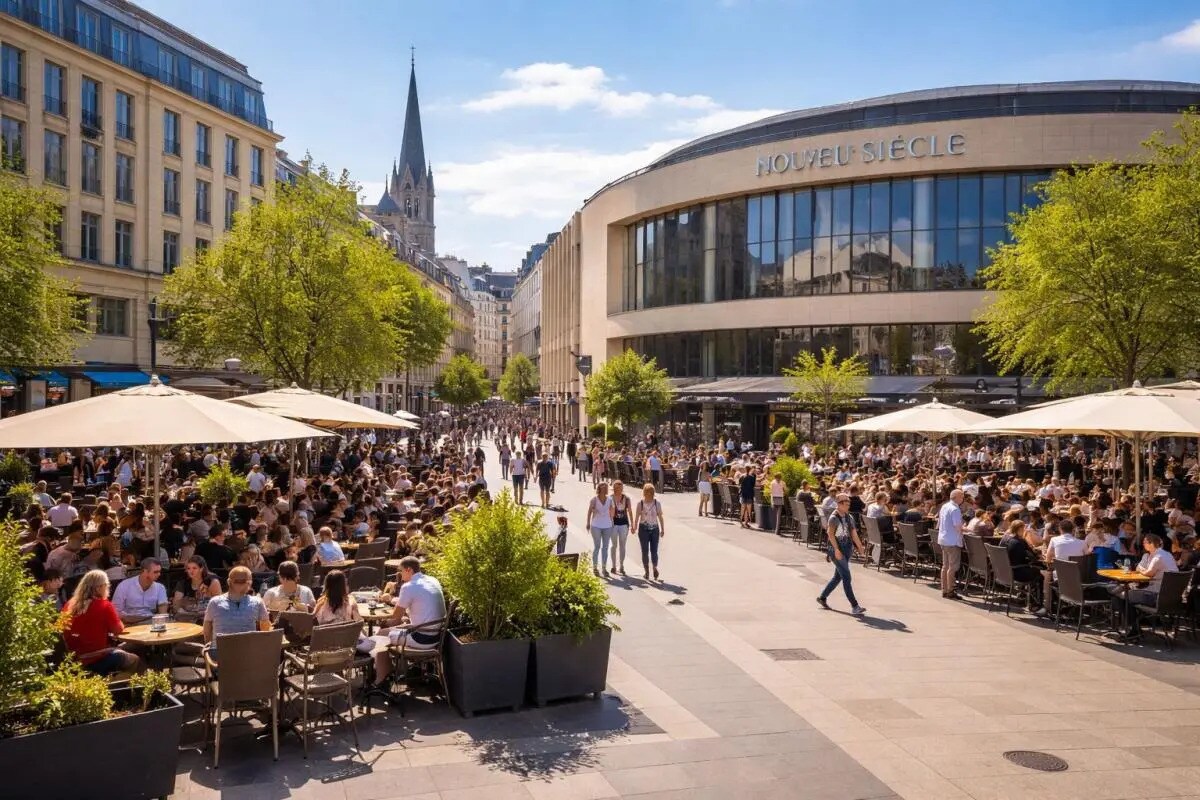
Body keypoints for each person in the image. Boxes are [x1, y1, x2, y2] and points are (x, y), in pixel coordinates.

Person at [370, 556, 446, 688]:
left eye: (401, 571)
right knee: (392, 628)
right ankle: (391, 672)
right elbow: (416, 599)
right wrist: (392, 600)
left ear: (409, 570)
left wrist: (385, 615)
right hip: (437, 636)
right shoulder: (432, 580)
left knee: (381, 634)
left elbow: (396, 617)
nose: (399, 574)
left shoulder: (408, 586)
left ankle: (382, 679)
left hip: (422, 639)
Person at [63, 570, 144, 675]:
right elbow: (118, 629)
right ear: (98, 588)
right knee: (135, 660)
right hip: (95, 658)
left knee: (127, 648)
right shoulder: (104, 605)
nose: (108, 588)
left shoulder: (69, 604)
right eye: (107, 585)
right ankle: (142, 682)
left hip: (73, 659)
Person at [1109, 533, 1179, 639]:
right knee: (1125, 593)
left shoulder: (1158, 557)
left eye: (1144, 542)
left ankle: (1134, 630)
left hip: (1156, 596)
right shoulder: (1167, 554)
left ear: (1151, 544)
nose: (1143, 545)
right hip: (1171, 598)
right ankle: (1135, 626)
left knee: (1122, 596)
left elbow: (1148, 573)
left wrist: (1141, 569)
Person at [202, 566, 271, 658]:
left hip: (220, 658)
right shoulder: (258, 602)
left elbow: (207, 630)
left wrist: (210, 647)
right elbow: (266, 631)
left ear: (228, 582)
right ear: (249, 583)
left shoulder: (214, 602)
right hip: (249, 657)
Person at [816, 494, 868, 616]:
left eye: (849, 503)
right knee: (846, 577)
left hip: (847, 548)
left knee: (837, 577)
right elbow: (830, 534)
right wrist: (836, 550)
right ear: (839, 504)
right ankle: (855, 606)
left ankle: (822, 597)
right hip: (837, 549)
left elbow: (854, 534)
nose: (848, 505)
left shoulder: (849, 517)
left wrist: (860, 547)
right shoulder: (833, 518)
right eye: (845, 503)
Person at [1036, 519, 1087, 617]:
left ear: (1060, 529)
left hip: (1061, 578)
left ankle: (1047, 606)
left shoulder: (1054, 540)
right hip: (1079, 578)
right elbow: (1087, 558)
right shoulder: (1082, 543)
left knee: (1047, 574)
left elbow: (1048, 559)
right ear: (1073, 530)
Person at [111, 558, 169, 623]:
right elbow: (115, 610)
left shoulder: (160, 587)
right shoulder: (124, 585)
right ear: (144, 571)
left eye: (159, 571)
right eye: (155, 572)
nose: (159, 574)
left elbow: (163, 612)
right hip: (128, 623)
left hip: (150, 622)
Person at [632, 483, 666, 581]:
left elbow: (660, 517)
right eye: (647, 492)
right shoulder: (640, 504)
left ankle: (654, 568)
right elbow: (637, 517)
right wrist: (634, 527)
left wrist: (662, 529)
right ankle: (646, 570)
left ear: (653, 493)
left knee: (654, 550)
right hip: (643, 529)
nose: (649, 494)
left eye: (651, 492)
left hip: (655, 529)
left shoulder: (657, 503)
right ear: (644, 493)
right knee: (645, 551)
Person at [937, 489, 965, 601]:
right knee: (952, 567)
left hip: (943, 539)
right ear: (957, 497)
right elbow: (958, 526)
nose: (962, 499)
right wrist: (966, 529)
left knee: (945, 566)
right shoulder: (955, 509)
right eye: (961, 497)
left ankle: (944, 589)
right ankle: (950, 590)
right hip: (952, 540)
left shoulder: (944, 506)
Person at [586, 481, 615, 578]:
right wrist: (588, 523)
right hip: (596, 525)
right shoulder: (594, 499)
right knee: (597, 546)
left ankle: (604, 568)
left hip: (607, 525)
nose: (606, 489)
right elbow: (589, 511)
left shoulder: (610, 500)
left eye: (606, 487)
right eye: (604, 487)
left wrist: (612, 521)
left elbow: (612, 512)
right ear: (600, 488)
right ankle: (595, 567)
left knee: (605, 547)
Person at [610, 480, 632, 575]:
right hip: (613, 524)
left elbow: (630, 511)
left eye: (620, 488)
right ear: (614, 488)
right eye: (616, 488)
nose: (618, 489)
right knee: (614, 545)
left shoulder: (626, 498)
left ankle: (621, 566)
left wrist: (632, 524)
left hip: (623, 524)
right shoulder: (610, 498)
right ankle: (613, 566)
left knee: (622, 545)